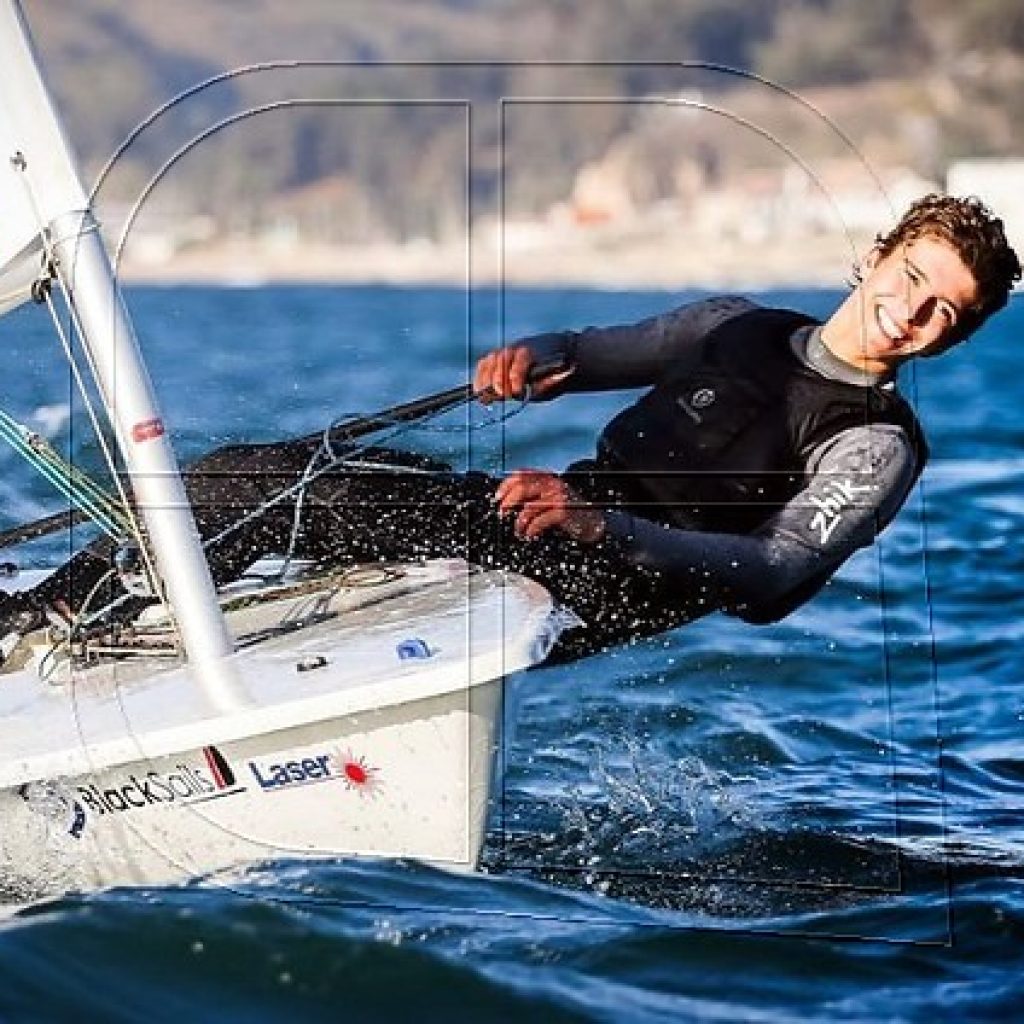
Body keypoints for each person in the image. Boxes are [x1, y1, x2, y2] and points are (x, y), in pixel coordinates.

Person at [2, 194, 1020, 663]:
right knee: (259, 477)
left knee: (262, 490)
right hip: (541, 522)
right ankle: (89, 615)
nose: (912, 312)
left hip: (605, 575)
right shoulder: (734, 324)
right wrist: (531, 356)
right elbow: (589, 348)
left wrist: (600, 526)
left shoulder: (873, 443)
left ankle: (44, 621)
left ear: (960, 334)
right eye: (910, 277)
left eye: (945, 311)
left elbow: (773, 570)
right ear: (876, 257)